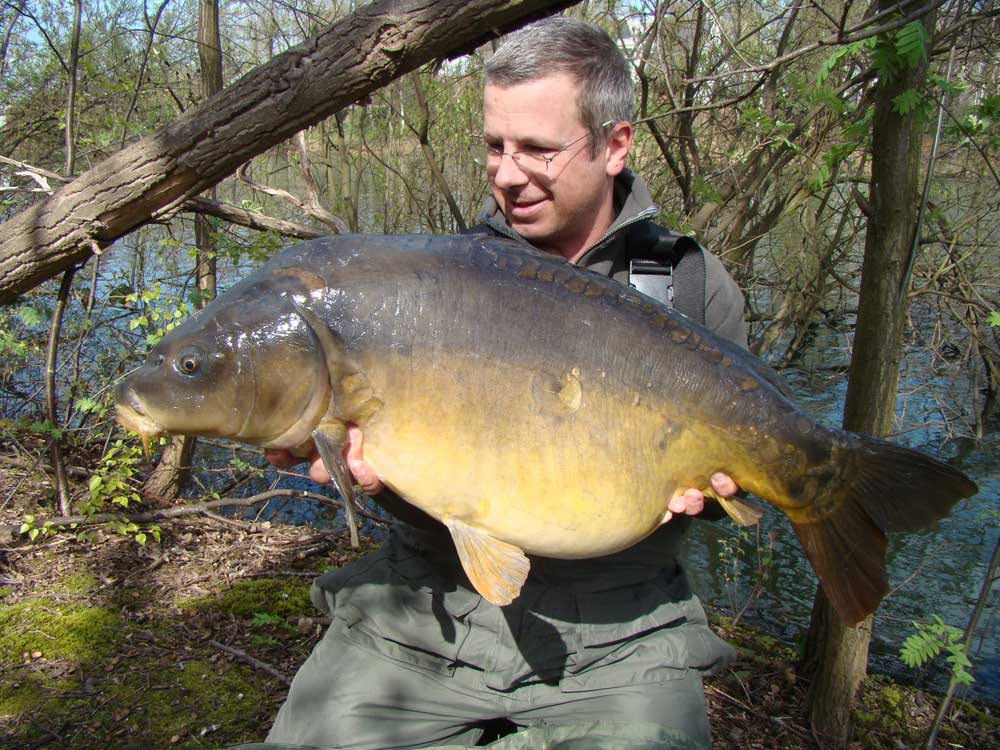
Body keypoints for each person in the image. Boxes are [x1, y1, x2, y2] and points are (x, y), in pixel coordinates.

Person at [264, 17, 747, 750]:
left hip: (622, 628)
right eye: (496, 146)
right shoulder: (436, 279)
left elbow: (729, 491)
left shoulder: (691, 290)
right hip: (427, 604)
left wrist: (712, 494)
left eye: (538, 149)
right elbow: (417, 463)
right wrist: (363, 467)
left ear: (616, 145)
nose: (508, 174)